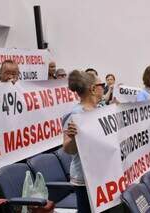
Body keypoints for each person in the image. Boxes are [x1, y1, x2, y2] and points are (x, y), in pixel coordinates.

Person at [62, 70, 98, 213]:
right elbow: (67, 149)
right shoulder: (76, 115)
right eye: (99, 84)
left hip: (100, 173)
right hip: (84, 176)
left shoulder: (100, 110)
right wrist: (74, 138)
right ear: (93, 88)